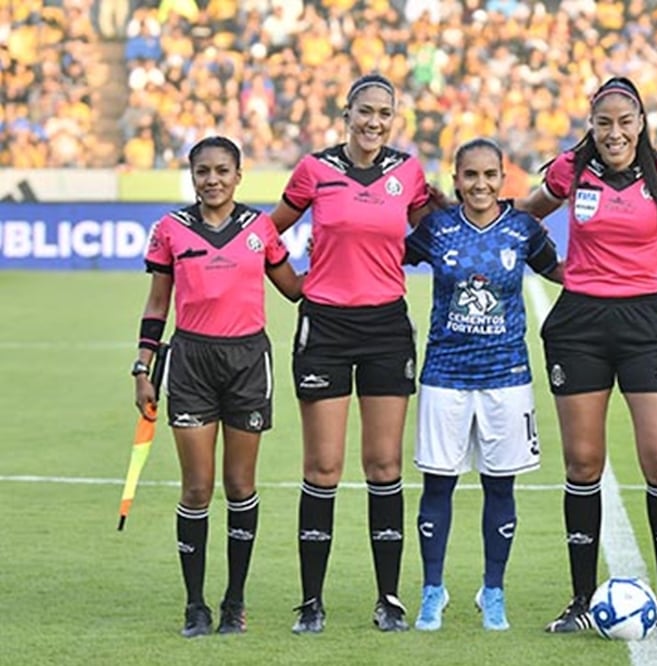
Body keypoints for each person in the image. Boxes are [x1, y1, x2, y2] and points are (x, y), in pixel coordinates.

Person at [516, 76, 657, 636]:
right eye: (604, 122)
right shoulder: (569, 170)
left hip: (646, 324)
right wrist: (549, 267)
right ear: (592, 123)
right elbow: (523, 217)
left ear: (640, 123)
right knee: (583, 464)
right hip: (579, 324)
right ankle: (581, 598)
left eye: (624, 121)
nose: (614, 132)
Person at [269, 73, 434, 634]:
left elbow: (434, 234)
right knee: (323, 466)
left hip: (387, 326)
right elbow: (264, 235)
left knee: (384, 464)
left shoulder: (408, 173)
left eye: (384, 113)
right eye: (365, 111)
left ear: (394, 119)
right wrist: (296, 286)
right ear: (347, 112)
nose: (374, 122)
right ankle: (310, 601)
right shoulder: (315, 170)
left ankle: (388, 598)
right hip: (327, 328)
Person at [133, 136, 302, 637]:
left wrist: (337, 259)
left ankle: (234, 602)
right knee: (197, 487)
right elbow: (157, 304)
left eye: (222, 171)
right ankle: (195, 606)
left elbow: (294, 289)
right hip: (190, 363)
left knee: (240, 486)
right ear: (192, 176)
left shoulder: (260, 228)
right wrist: (142, 367)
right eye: (203, 171)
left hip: (248, 362)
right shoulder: (170, 229)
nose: (212, 180)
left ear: (239, 175)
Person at [404, 138, 562, 632]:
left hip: (506, 377)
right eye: (470, 175)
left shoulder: (523, 230)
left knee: (500, 486)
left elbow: (564, 274)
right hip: (445, 376)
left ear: (503, 178)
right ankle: (434, 590)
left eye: (490, 175)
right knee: (438, 485)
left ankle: (492, 590)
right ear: (456, 180)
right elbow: (389, 262)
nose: (481, 184)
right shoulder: (435, 228)